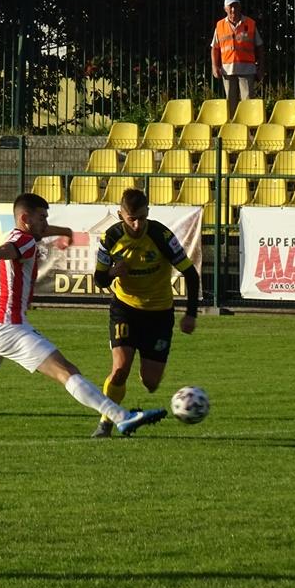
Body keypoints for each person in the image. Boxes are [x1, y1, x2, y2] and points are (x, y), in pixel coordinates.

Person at [0, 193, 167, 438]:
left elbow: (22, 242)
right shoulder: (23, 241)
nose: (46, 223)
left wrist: (63, 231)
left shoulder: (21, 235)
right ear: (25, 219)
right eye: (42, 218)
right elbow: (8, 252)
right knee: (67, 371)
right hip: (9, 327)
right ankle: (122, 417)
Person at [90, 188, 201, 438]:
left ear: (148, 212)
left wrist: (191, 314)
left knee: (151, 383)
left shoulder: (160, 235)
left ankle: (129, 408)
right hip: (125, 308)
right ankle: (106, 422)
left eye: (142, 217)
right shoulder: (110, 238)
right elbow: (99, 280)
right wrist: (112, 273)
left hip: (159, 313)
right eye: (132, 219)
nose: (138, 224)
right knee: (120, 368)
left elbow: (190, 274)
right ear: (121, 215)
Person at [211, 0, 264, 120]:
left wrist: (261, 67)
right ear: (225, 9)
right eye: (230, 7)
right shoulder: (220, 25)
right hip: (227, 69)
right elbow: (215, 48)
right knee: (231, 102)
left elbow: (260, 46)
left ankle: (249, 129)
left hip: (247, 69)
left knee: (248, 101)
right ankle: (233, 129)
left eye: (235, 6)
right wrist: (214, 66)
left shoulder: (250, 23)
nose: (233, 10)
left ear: (240, 7)